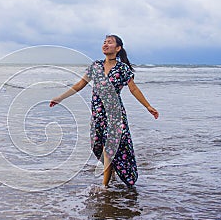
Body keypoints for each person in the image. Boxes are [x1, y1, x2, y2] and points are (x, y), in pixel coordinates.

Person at [49, 34, 159, 188]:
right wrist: (60, 97)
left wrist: (148, 106)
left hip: (115, 115)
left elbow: (133, 89)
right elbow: (80, 84)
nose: (106, 44)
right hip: (98, 115)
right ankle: (111, 168)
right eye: (104, 42)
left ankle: (104, 186)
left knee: (109, 148)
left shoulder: (122, 69)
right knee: (96, 146)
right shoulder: (96, 66)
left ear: (118, 48)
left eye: (110, 42)